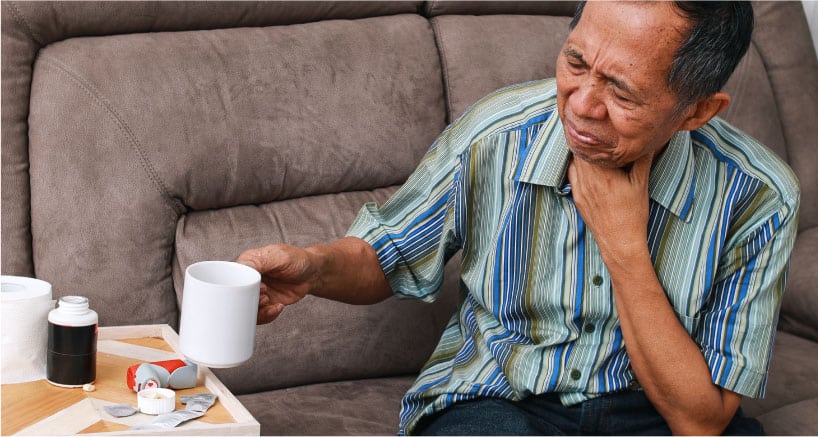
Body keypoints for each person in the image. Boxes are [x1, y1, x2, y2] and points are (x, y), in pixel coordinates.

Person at [237, 1, 800, 435]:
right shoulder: (498, 134)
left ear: (698, 111)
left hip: (651, 414)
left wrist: (623, 242)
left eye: (622, 93)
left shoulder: (759, 197)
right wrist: (312, 267)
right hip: (498, 399)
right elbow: (387, 255)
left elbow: (701, 422)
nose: (580, 105)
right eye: (576, 62)